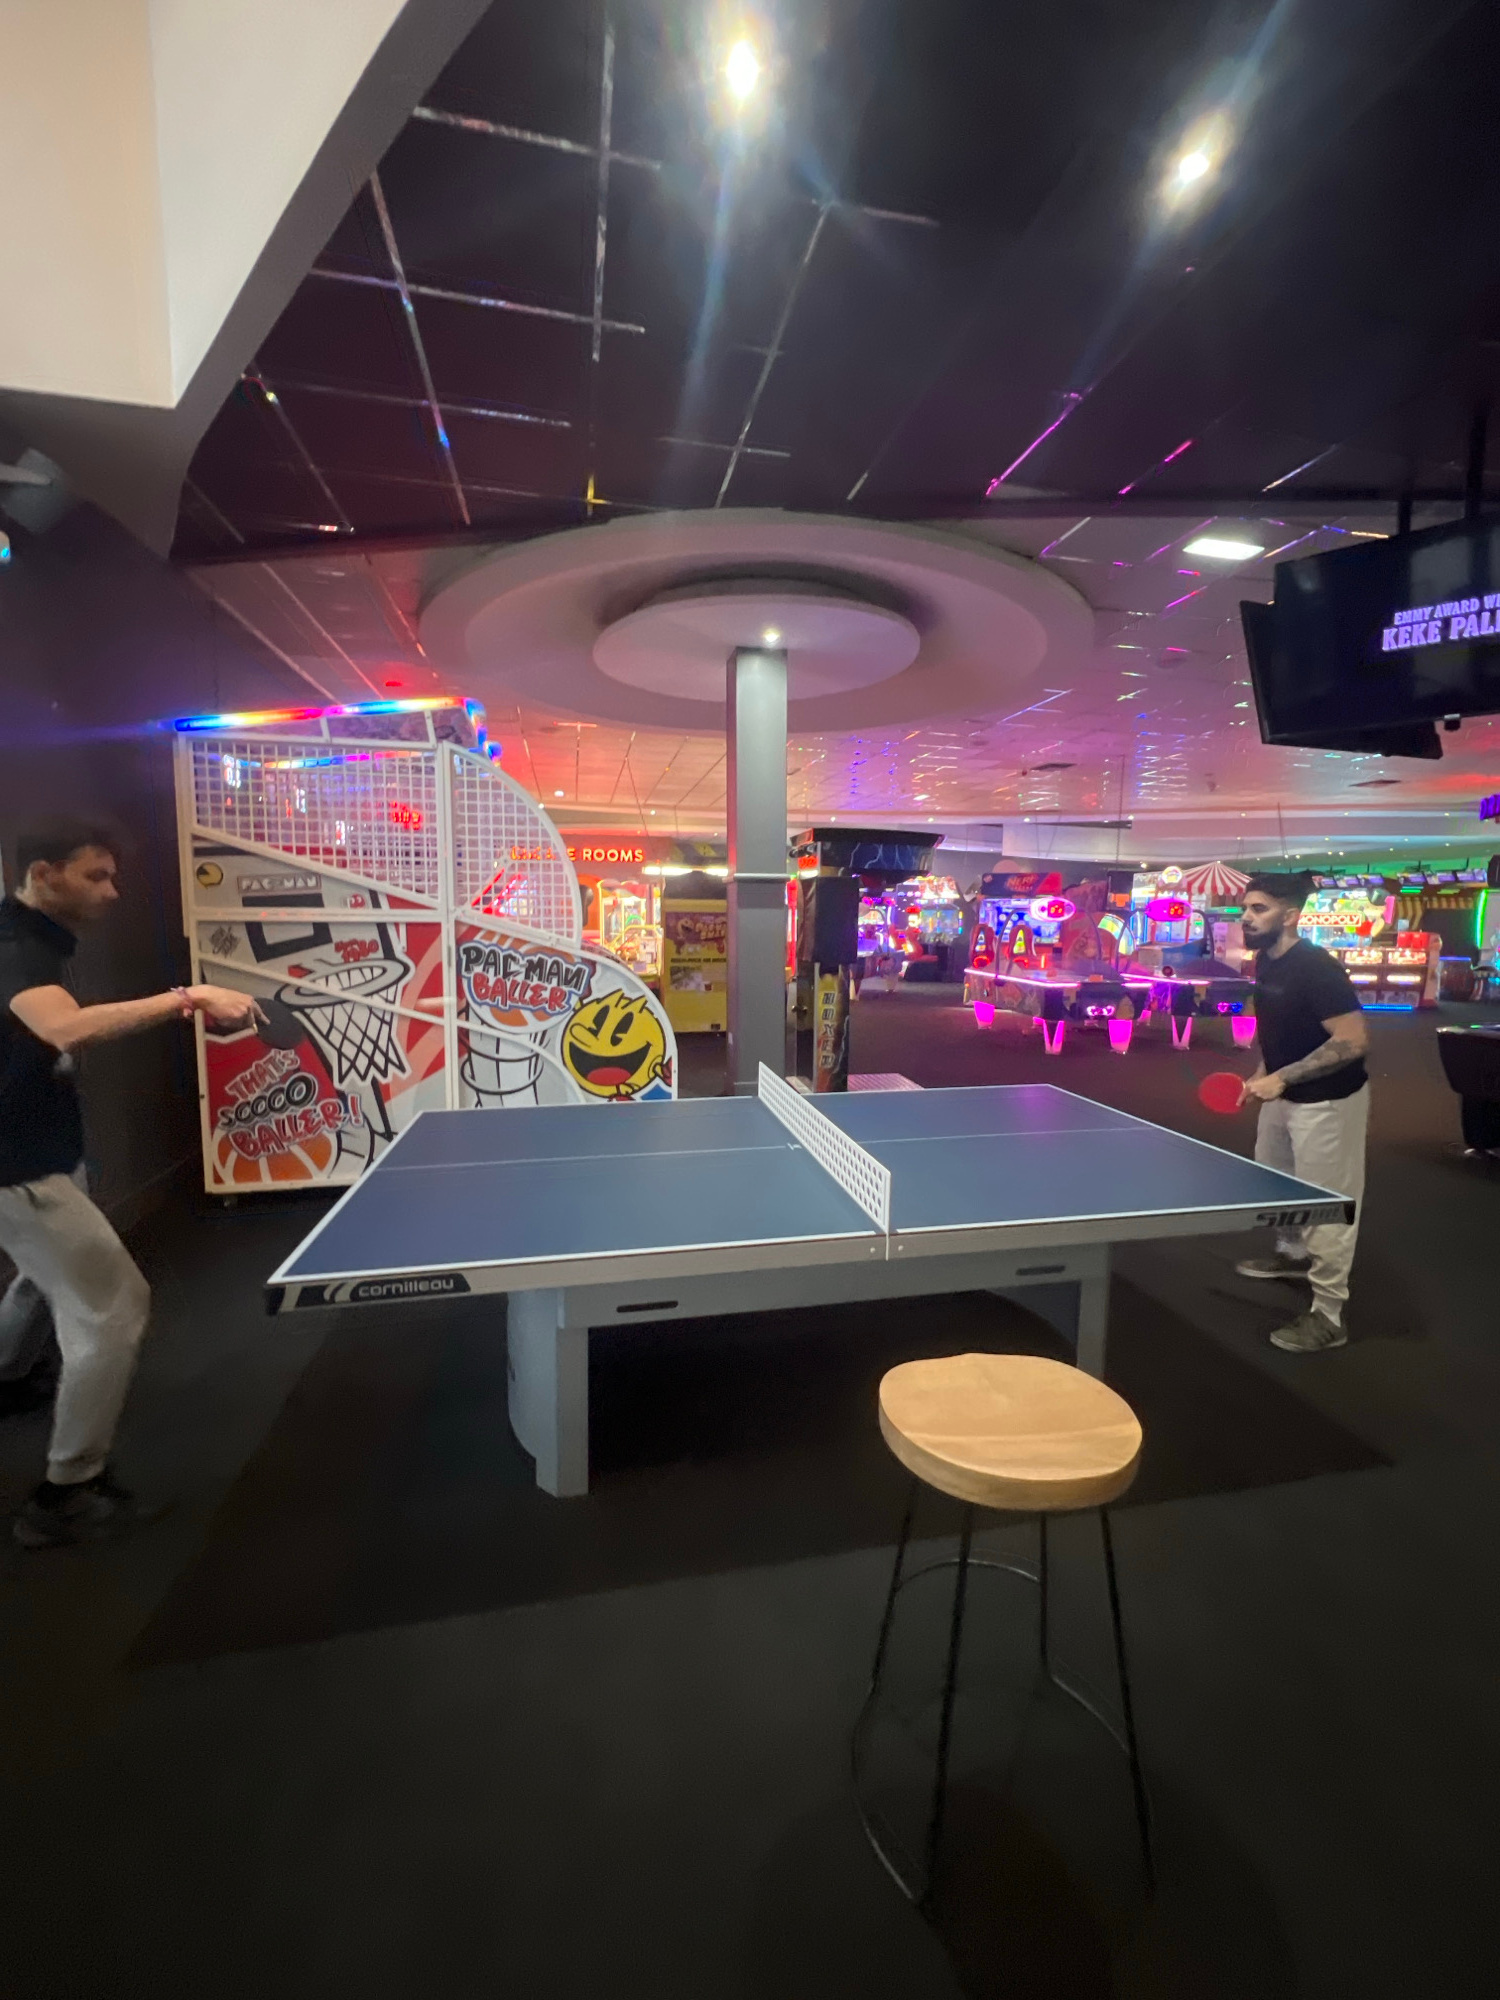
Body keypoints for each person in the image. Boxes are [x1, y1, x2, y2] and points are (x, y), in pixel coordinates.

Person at [0, 820, 264, 1547]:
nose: (112, 892)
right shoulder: (18, 947)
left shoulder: (37, 936)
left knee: (40, 1279)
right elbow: (63, 1029)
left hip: (39, 1149)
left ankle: (8, 1378)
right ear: (43, 874)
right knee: (112, 1307)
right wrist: (189, 998)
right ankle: (66, 1492)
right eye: (95, 876)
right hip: (16, 1166)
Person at [1233, 871, 1370, 1353]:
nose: (1246, 917)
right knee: (1276, 1183)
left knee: (1327, 1205)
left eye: (1259, 909)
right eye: (1246, 908)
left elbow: (1353, 1040)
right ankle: (1292, 1254)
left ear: (1290, 915)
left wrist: (1284, 1077)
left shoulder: (1317, 968)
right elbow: (1279, 1031)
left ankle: (1329, 1315)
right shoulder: (1266, 961)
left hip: (1327, 1101)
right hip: (1283, 1094)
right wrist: (1262, 1073)